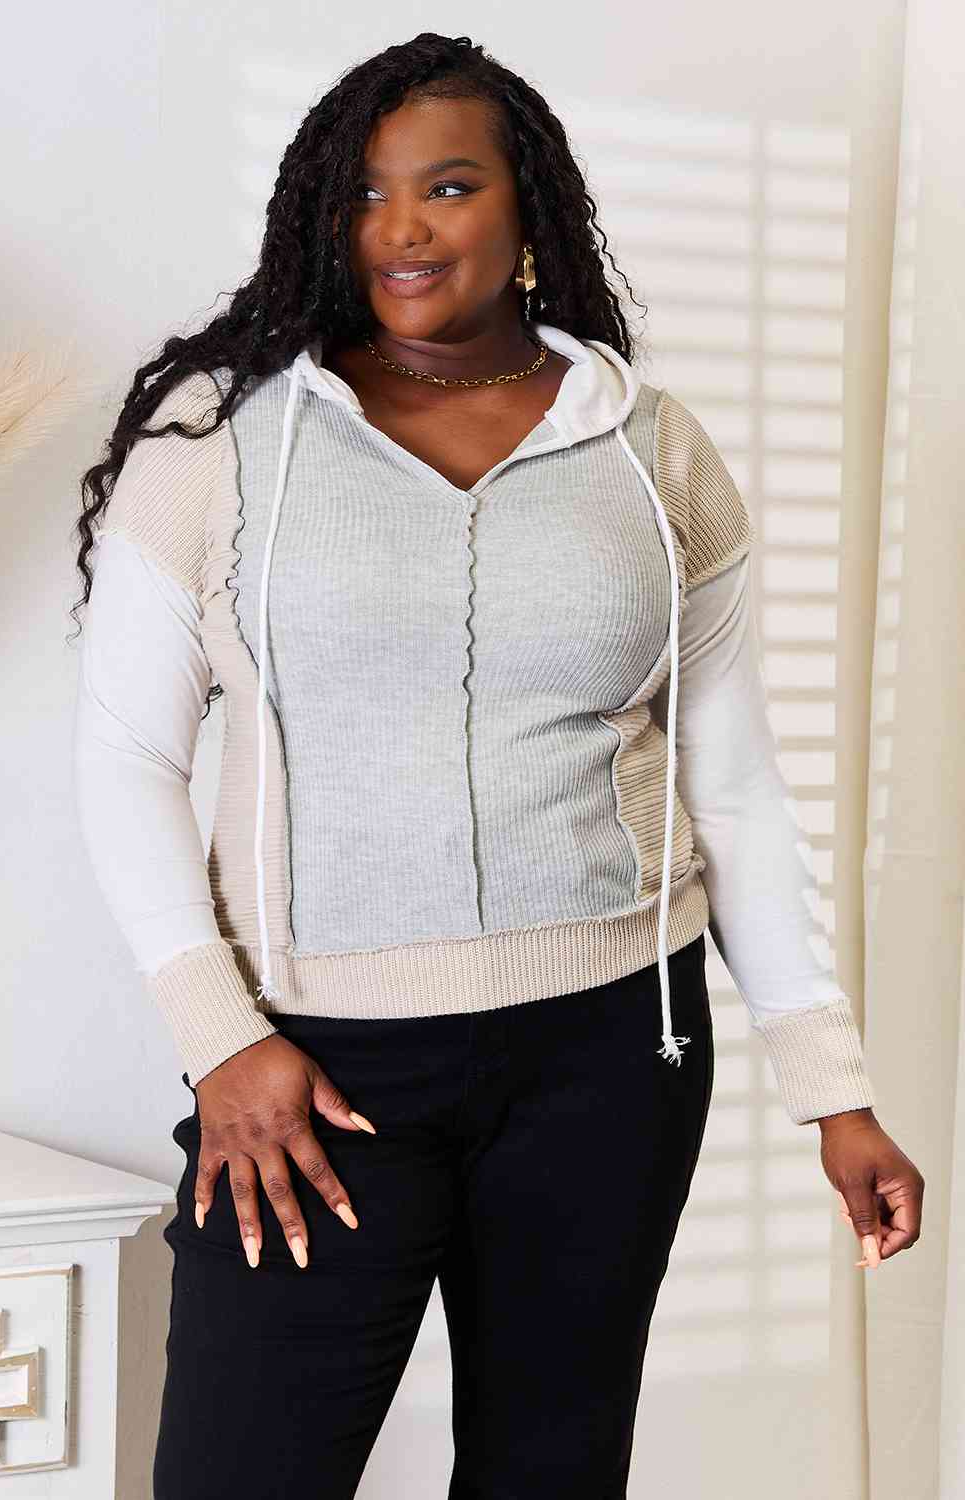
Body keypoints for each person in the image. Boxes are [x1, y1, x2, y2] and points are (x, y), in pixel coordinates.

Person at [71, 31, 924, 1500]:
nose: (401, 229)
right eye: (365, 194)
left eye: (449, 187)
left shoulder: (652, 452)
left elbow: (731, 783)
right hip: (313, 1071)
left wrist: (830, 1086)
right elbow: (128, 758)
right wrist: (221, 1039)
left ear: (528, 206)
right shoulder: (218, 446)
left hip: (612, 1052)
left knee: (554, 1474)